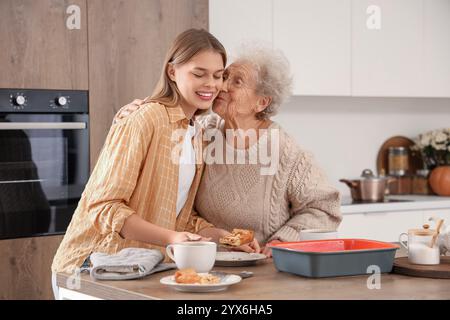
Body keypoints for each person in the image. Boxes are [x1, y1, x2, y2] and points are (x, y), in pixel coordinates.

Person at [115, 45, 343, 258]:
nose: (221, 86)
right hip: (201, 263)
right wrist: (131, 116)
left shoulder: (285, 152)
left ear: (261, 102)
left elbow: (324, 207)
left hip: (262, 269)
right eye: (225, 77)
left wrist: (283, 241)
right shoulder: (203, 133)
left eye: (237, 82)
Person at [51, 28, 227, 289]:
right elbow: (105, 206)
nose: (211, 84)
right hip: (89, 269)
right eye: (198, 74)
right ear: (172, 72)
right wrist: (172, 238)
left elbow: (179, 218)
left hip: (139, 269)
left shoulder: (196, 133)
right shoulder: (147, 117)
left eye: (218, 75)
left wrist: (223, 237)